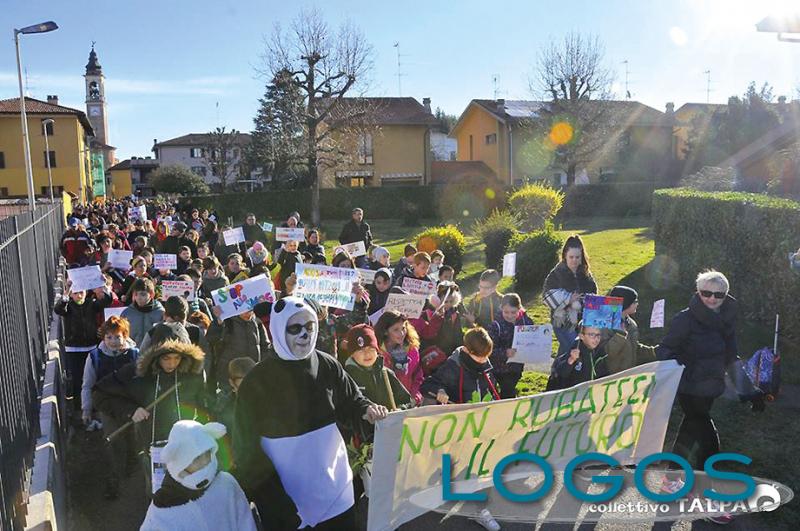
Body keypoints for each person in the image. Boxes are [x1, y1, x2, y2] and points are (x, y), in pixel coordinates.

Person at [233, 297, 388, 530]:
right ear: (277, 328)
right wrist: (274, 502)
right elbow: (246, 451)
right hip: (287, 502)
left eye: (309, 327)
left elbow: (351, 400)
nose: (304, 335)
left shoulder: (327, 364)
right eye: (294, 328)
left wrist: (366, 410)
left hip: (336, 492)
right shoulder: (255, 382)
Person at [655, 270, 759, 523]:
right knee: (709, 442)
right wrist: (684, 371)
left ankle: (671, 480)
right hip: (689, 388)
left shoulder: (726, 320)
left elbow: (732, 358)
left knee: (690, 432)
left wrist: (749, 390)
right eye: (706, 293)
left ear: (726, 295)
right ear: (698, 292)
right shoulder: (685, 319)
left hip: (711, 388)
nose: (712, 299)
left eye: (718, 294)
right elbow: (665, 350)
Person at [93, 340, 206, 495]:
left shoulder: (193, 375)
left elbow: (204, 404)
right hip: (153, 447)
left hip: (187, 445)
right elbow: (100, 393)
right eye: (166, 358)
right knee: (157, 492)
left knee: (188, 490)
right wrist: (130, 410)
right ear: (155, 357)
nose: (172, 363)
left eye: (176, 358)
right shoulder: (137, 374)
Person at [140, 420, 257, 531]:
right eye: (196, 458)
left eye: (207, 453)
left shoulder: (225, 483)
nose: (205, 461)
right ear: (180, 462)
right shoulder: (162, 510)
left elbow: (245, 522)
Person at [81, 316, 140, 498]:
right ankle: (113, 480)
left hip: (132, 405)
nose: (113, 341)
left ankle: (133, 471)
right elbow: (87, 384)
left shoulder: (135, 355)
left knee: (134, 439)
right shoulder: (95, 357)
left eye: (117, 337)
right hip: (107, 407)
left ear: (125, 336)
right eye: (109, 337)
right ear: (103, 337)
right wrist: (86, 409)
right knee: (112, 441)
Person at [55, 279, 112, 408]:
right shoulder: (68, 306)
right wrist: (66, 292)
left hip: (90, 347)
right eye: (75, 293)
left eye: (81, 292)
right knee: (77, 378)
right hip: (73, 348)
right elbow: (58, 309)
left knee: (91, 377)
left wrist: (104, 285)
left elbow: (107, 301)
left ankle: (93, 405)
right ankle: (78, 405)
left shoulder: (91, 304)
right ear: (71, 295)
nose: (79, 296)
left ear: (86, 293)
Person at [543, 235, 598, 357]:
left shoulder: (586, 275)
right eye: (571, 257)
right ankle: (563, 374)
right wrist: (568, 298)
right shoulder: (556, 274)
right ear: (565, 256)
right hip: (562, 322)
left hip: (582, 323)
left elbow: (594, 296)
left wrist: (584, 301)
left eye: (577, 257)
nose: (574, 260)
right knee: (573, 349)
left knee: (567, 352)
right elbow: (547, 296)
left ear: (582, 257)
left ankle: (557, 374)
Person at [343, 324, 414, 412]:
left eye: (371, 349)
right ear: (352, 354)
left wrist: (400, 409)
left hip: (388, 424)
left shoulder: (386, 373)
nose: (367, 354)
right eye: (361, 350)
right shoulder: (346, 377)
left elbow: (407, 401)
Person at [421, 326, 500, 404]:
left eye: (486, 356)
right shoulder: (453, 367)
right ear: (466, 350)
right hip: (459, 414)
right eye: (479, 357)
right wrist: (440, 390)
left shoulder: (486, 369)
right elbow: (428, 384)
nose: (483, 360)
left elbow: (492, 392)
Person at [207, 309, 271, 392]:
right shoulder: (227, 321)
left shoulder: (257, 323)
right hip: (228, 377)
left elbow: (266, 347)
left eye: (250, 309)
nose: (248, 313)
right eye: (244, 310)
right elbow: (211, 339)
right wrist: (218, 324)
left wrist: (261, 367)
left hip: (252, 376)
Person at [601, 286, 657, 374]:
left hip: (628, 375)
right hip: (611, 377)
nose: (637, 304)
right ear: (626, 303)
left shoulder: (631, 324)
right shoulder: (605, 324)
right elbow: (606, 353)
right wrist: (620, 335)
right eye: (635, 301)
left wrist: (653, 352)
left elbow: (634, 346)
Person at [489, 293, 533, 399]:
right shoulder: (495, 325)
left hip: (517, 365)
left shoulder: (526, 322)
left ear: (519, 309)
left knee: (510, 387)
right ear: (501, 308)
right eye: (506, 312)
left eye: (513, 312)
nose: (509, 315)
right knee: (508, 391)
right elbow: (489, 349)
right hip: (499, 368)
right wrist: (505, 353)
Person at [374, 310, 424, 405]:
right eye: (396, 330)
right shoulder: (375, 351)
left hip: (407, 403)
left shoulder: (412, 350)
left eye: (403, 328)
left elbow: (417, 375)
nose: (402, 333)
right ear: (385, 331)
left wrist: (414, 396)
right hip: (383, 404)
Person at [549, 321, 609, 390]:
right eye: (592, 335)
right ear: (581, 336)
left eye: (598, 335)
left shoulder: (600, 352)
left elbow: (603, 372)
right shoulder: (575, 350)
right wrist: (570, 361)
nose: (596, 338)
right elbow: (561, 373)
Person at [121, 278, 165, 346]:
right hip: (133, 353)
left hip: (153, 352)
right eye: (136, 294)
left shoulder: (161, 313)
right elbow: (120, 334)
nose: (139, 297)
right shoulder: (126, 313)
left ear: (151, 294)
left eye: (143, 294)